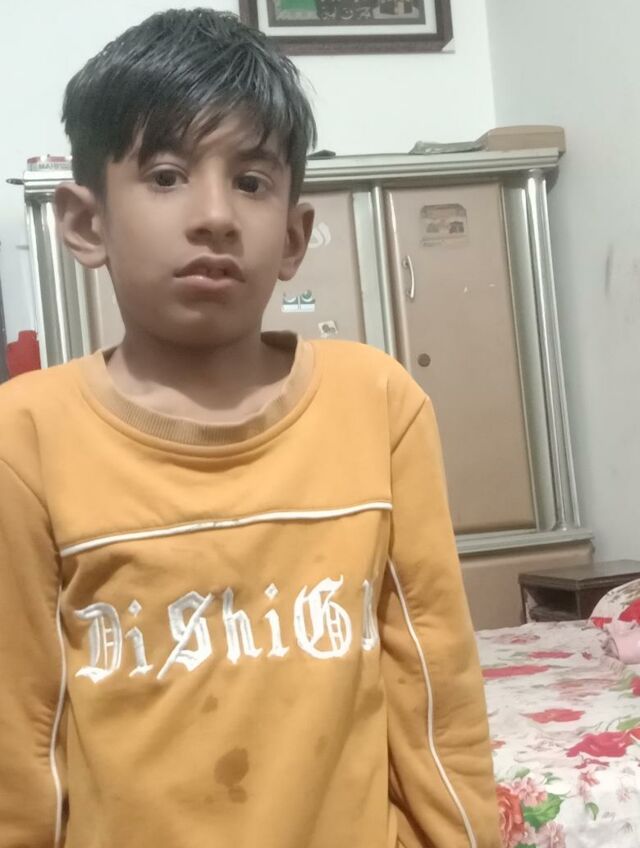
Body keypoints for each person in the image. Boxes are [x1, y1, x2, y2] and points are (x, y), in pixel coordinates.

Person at [0, 8, 501, 847]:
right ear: (86, 224)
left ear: (296, 235)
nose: (215, 215)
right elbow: (19, 733)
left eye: (253, 182)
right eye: (165, 175)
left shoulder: (376, 404)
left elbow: (433, 681)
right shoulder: (26, 438)